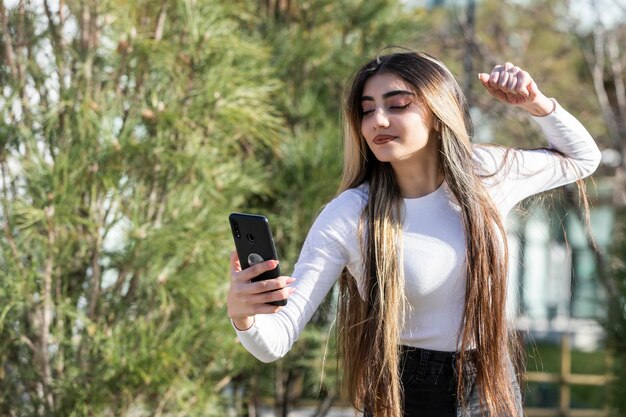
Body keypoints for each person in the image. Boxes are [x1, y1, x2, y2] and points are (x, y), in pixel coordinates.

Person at [227, 50, 601, 417]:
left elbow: (584, 158)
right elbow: (275, 340)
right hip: (403, 393)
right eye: (367, 109)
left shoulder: (487, 173)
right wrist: (244, 316)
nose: (378, 120)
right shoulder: (350, 214)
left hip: (490, 380)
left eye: (398, 104)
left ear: (438, 112)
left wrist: (536, 104)